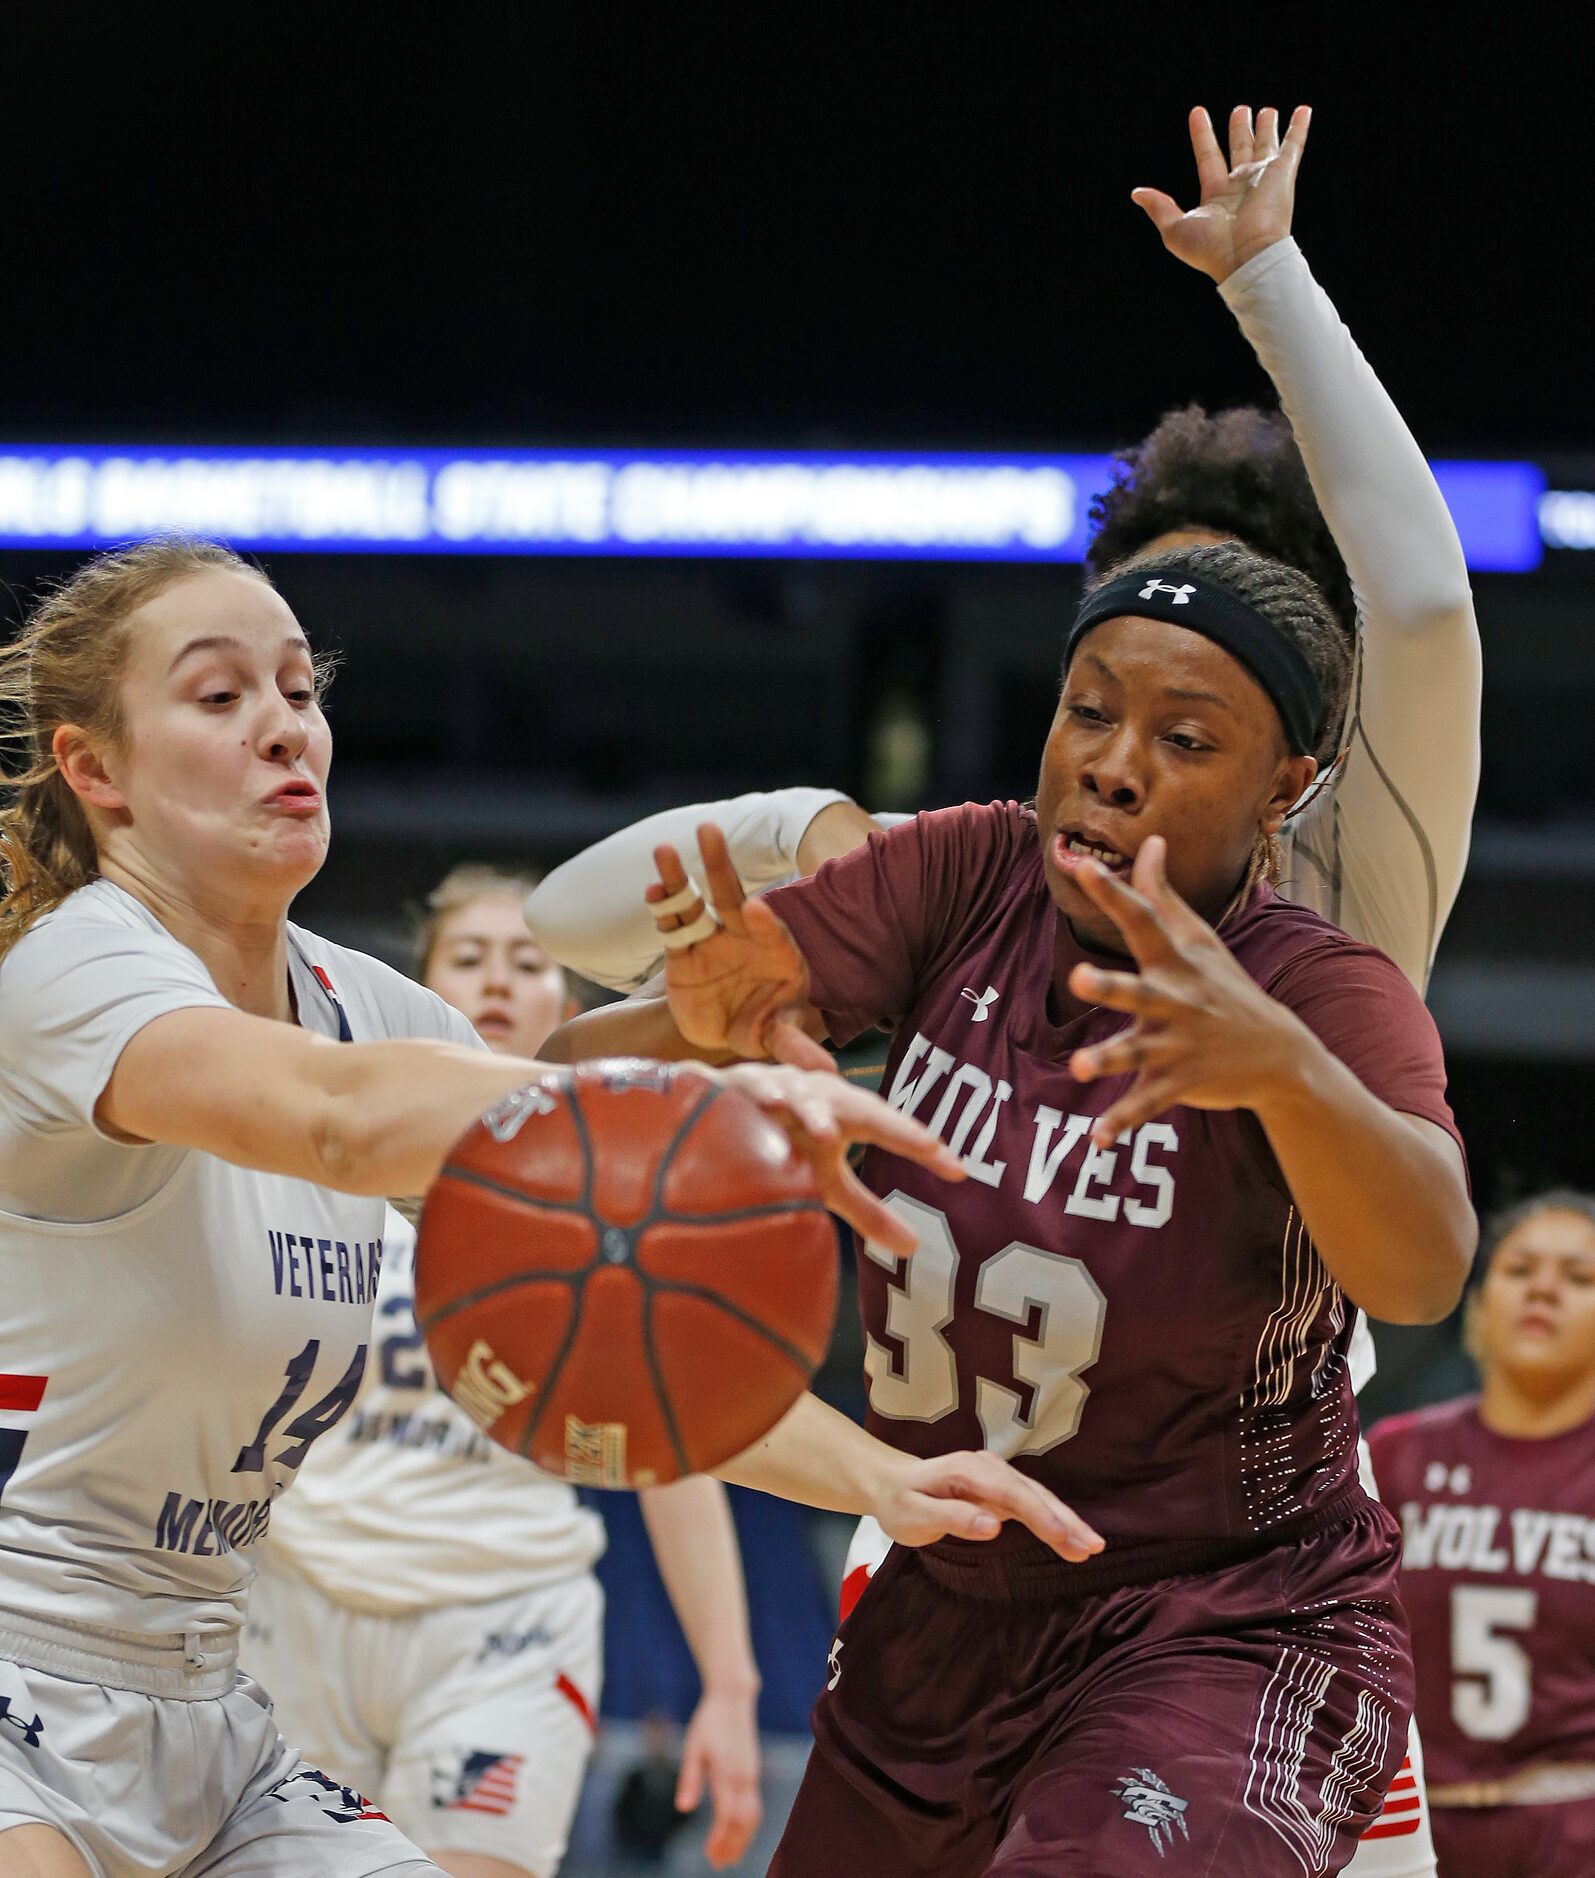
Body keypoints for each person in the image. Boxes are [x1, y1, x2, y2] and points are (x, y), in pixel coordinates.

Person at [525, 105, 1478, 1872]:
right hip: (952, 1588)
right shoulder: (958, 868)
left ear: (1292, 774)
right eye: (1090, 701)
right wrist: (679, 1010)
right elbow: (586, 1034)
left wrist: (1267, 276)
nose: (1114, 759)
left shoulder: (1337, 933)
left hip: (1229, 1616)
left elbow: (1419, 602)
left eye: (1186, 726)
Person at [0, 537, 1092, 1878]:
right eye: (221, 697)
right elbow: (339, 1119)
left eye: (300, 687)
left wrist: (885, 1474)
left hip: (209, 1702)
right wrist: (693, 1106)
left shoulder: (353, 999)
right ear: (92, 768)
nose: (285, 724)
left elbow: (600, 1233)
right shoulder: (70, 967)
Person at [241, 866, 765, 1878]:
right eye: (467, 959)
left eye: (525, 963)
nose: (494, 981)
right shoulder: (325, 1160)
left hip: (503, 1623)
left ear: (564, 1011)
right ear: (416, 991)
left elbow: (674, 1452)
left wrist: (731, 1688)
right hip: (299, 1604)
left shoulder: (616, 1201)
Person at [1369, 1193, 1595, 1878]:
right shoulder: (1391, 1456)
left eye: (1578, 1278)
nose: (1543, 1289)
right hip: (1414, 1828)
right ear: (1481, 1302)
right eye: (1519, 1271)